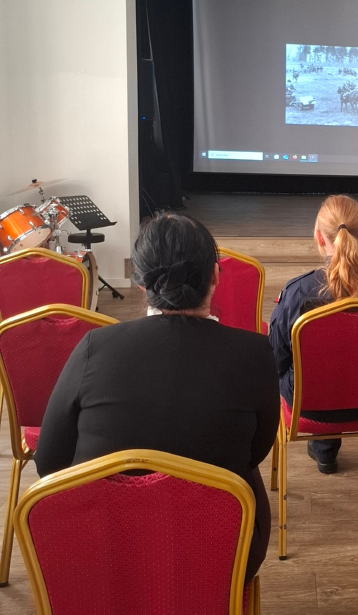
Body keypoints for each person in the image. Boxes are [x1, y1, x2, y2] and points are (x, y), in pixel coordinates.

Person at [35, 212, 280, 583]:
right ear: (215, 276)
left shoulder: (94, 347)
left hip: (103, 559)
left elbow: (49, 461)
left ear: (141, 283)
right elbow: (256, 451)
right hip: (220, 558)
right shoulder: (255, 353)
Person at [269, 194, 358, 474]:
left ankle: (325, 450)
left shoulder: (296, 293)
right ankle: (325, 449)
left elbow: (276, 359)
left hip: (308, 404)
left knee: (301, 367)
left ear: (319, 237)